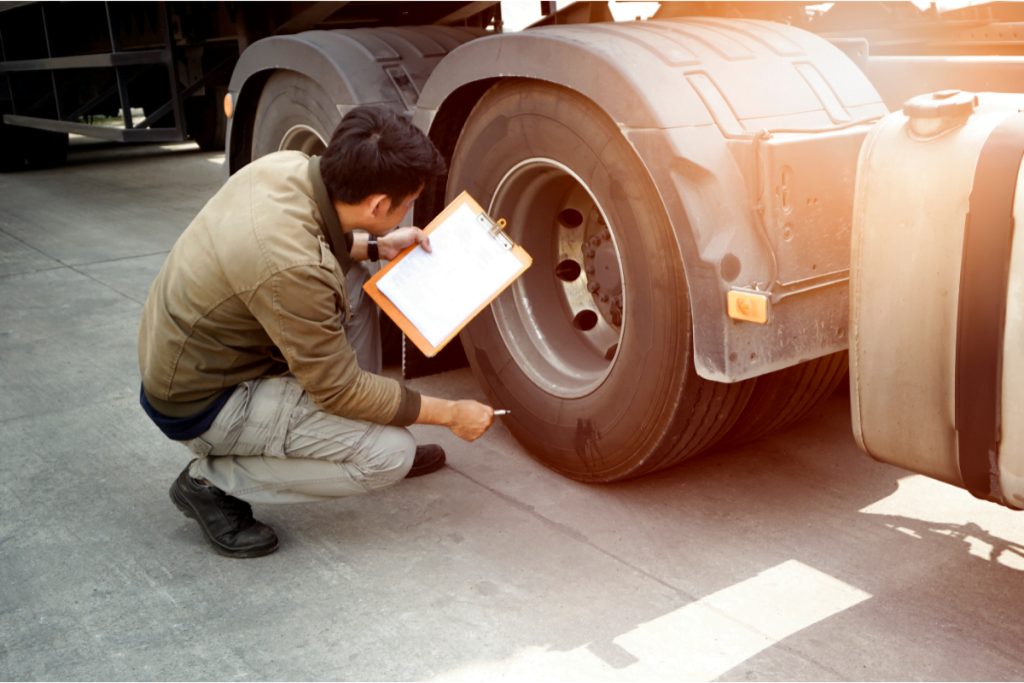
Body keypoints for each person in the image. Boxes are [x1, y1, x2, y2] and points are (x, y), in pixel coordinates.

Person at [138, 106, 494, 558]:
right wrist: (449, 414)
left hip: (196, 353)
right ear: (378, 204)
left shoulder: (287, 167)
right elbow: (338, 390)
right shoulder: (292, 268)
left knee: (358, 275)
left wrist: (377, 244)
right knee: (389, 455)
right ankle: (207, 482)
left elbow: (316, 230)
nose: (407, 213)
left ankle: (360, 422)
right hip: (204, 402)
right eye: (406, 205)